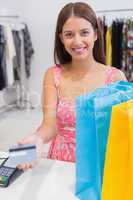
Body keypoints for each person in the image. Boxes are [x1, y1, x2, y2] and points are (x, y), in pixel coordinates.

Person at [17, 2, 127, 170]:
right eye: (69, 34)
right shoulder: (53, 75)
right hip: (60, 163)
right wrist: (38, 138)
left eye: (84, 33)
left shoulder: (115, 78)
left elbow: (123, 130)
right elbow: (50, 124)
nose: (77, 41)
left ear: (96, 34)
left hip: (98, 166)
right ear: (61, 38)